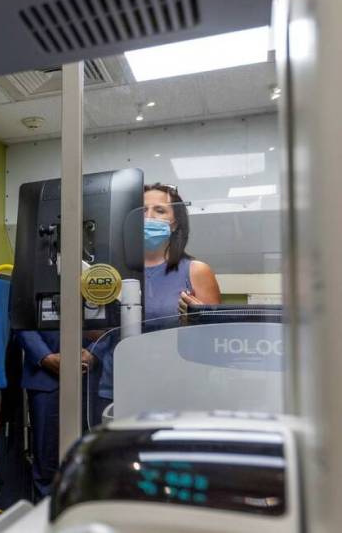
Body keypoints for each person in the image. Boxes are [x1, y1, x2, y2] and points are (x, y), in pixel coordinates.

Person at [94, 182, 221, 413]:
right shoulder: (110, 273)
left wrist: (195, 319)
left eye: (159, 210)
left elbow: (214, 343)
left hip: (177, 391)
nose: (149, 217)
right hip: (118, 388)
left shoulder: (196, 271)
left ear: (175, 223)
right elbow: (96, 334)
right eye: (142, 211)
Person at [16, 331, 96, 498]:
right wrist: (45, 357)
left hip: (92, 380)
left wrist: (94, 353)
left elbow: (112, 320)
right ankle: (46, 517)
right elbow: (23, 323)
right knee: (46, 463)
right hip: (45, 379)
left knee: (91, 457)